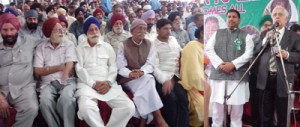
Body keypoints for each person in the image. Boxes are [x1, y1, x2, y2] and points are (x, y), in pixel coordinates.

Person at [75, 16, 135, 127]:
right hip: (87, 85)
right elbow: (79, 69)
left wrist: (108, 82)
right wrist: (93, 84)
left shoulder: (107, 47)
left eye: (96, 29)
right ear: (86, 33)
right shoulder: (80, 48)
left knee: (129, 107)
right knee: (85, 109)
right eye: (91, 30)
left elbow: (113, 66)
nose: (94, 32)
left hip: (108, 85)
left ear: (99, 30)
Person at [206, 9, 254, 127]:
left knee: (237, 112)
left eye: (234, 17)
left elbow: (249, 54)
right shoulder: (217, 33)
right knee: (217, 111)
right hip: (219, 76)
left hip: (238, 76)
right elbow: (208, 49)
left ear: (239, 20)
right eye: (229, 17)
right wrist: (221, 64)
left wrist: (233, 64)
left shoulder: (245, 36)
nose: (231, 19)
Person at [117, 19, 168, 127]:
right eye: (139, 28)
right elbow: (120, 67)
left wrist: (141, 72)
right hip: (128, 78)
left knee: (148, 79)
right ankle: (157, 119)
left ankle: (143, 120)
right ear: (132, 31)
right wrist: (130, 73)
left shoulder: (149, 44)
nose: (143, 31)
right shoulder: (123, 45)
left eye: (145, 28)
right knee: (149, 80)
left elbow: (150, 64)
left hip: (143, 75)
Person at [254, 6, 300, 127]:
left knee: (282, 114)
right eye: (274, 15)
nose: (277, 17)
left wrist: (288, 55)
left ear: (286, 19)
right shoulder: (264, 33)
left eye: (280, 14)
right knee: (265, 114)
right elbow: (256, 50)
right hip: (265, 79)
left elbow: (299, 55)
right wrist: (265, 40)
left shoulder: (294, 36)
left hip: (283, 79)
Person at [34, 18, 77, 127]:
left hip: (67, 81)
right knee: (44, 101)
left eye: (62, 29)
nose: (62, 32)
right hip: (48, 83)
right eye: (58, 30)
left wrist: (65, 75)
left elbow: (70, 62)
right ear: (50, 33)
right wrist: (58, 68)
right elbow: (38, 70)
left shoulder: (68, 44)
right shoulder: (41, 47)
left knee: (66, 99)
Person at [0, 13, 39, 127]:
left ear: (17, 28)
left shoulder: (30, 42)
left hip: (24, 89)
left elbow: (49, 41)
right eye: (5, 30)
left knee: (32, 108)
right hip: (2, 90)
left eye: (12, 29)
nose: (9, 33)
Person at [153, 19, 189, 127]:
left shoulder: (173, 39)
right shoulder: (153, 45)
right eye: (165, 29)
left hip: (176, 76)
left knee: (183, 99)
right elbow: (154, 67)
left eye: (170, 28)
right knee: (171, 100)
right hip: (162, 78)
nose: (168, 31)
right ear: (158, 30)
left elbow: (182, 51)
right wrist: (165, 80)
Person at [180, 26, 205, 126]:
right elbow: (193, 72)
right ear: (202, 33)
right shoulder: (192, 46)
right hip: (195, 86)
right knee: (202, 105)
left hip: (212, 84)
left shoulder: (211, 46)